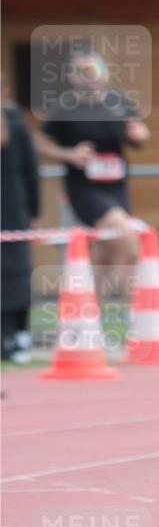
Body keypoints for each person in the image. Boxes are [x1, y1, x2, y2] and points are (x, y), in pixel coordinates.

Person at [33, 51, 150, 299]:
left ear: (104, 73)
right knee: (127, 242)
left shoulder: (119, 101)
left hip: (117, 187)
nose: (90, 78)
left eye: (94, 71)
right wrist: (70, 154)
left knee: (103, 253)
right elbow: (40, 145)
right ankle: (134, 313)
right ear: (72, 77)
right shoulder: (64, 108)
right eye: (83, 72)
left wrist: (138, 135)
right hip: (84, 188)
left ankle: (85, 318)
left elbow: (140, 135)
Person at [1, 81, 41, 363]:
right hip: (14, 203)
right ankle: (18, 337)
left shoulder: (14, 120)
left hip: (12, 204)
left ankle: (15, 338)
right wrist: (34, 209)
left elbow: (30, 165)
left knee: (14, 271)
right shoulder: (17, 120)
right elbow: (31, 168)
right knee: (16, 270)